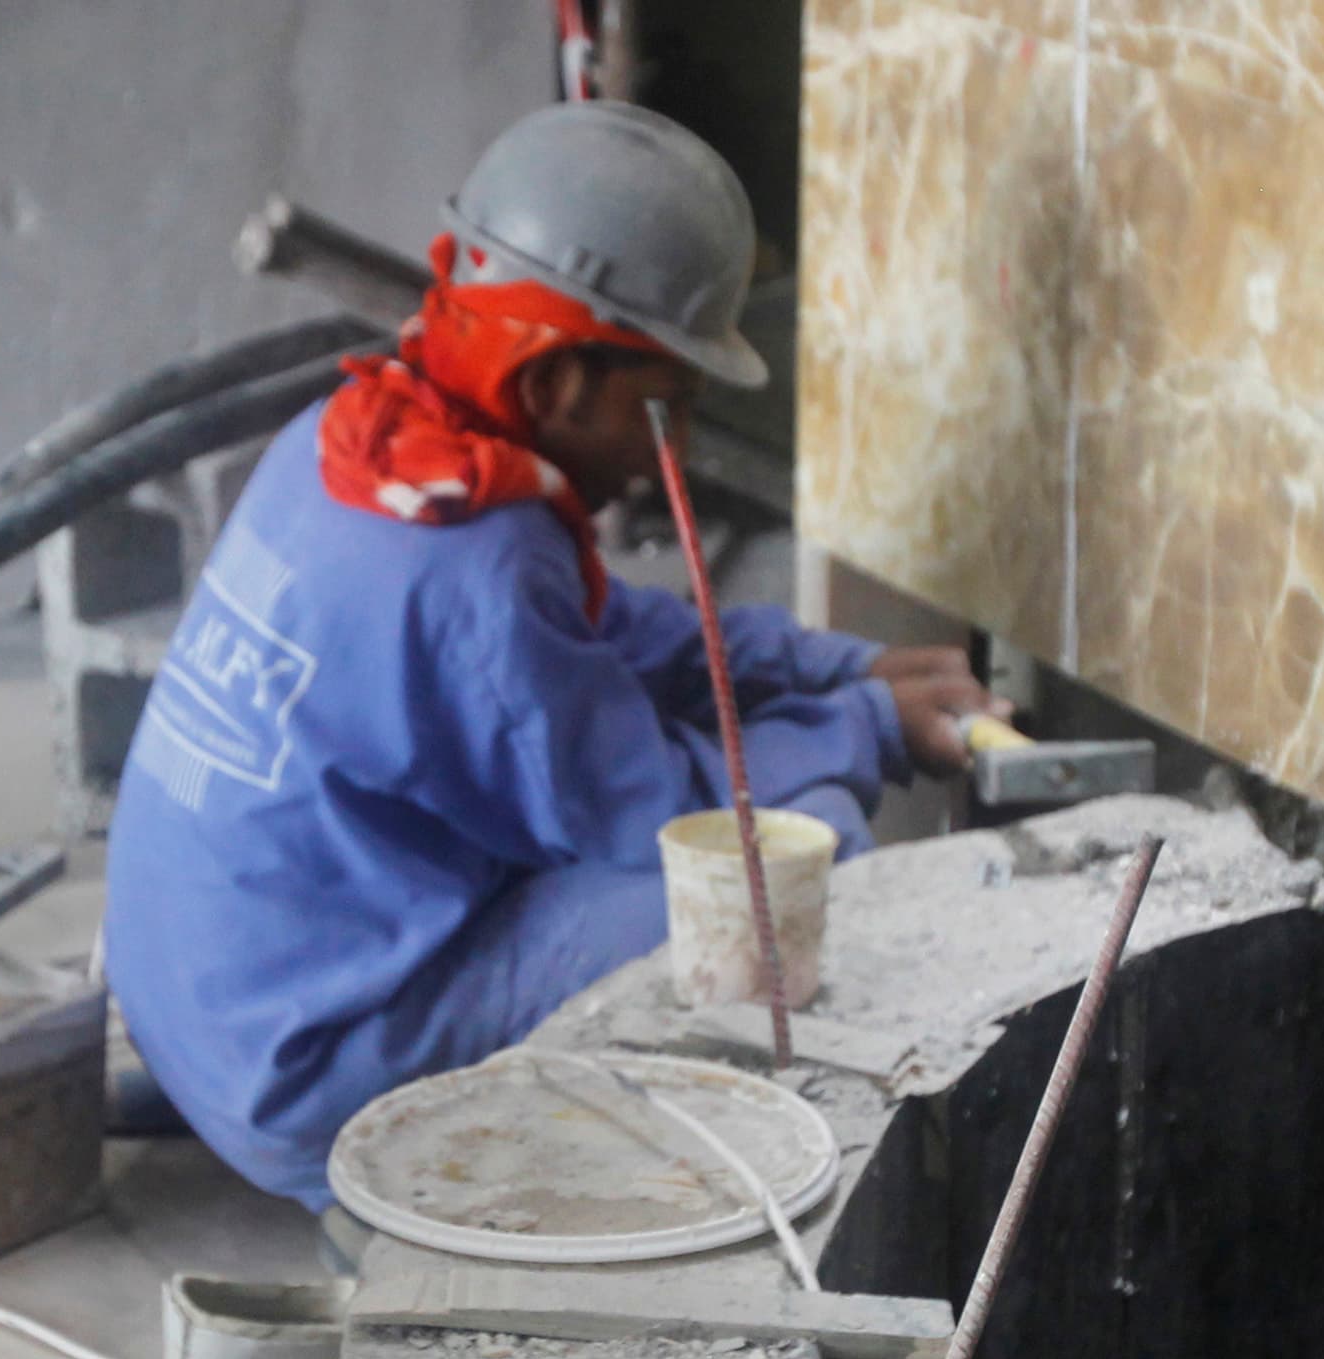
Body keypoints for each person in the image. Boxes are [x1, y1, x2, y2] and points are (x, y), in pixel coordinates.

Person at [103, 102, 1009, 1214]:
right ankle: (451, 1199)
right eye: (663, 407)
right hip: (307, 1081)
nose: (670, 444)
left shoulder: (362, 444)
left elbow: (613, 636)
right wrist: (861, 731)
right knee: (797, 848)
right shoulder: (478, 576)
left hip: (209, 1013)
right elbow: (661, 818)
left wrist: (834, 666)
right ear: (556, 383)